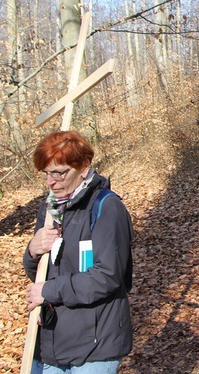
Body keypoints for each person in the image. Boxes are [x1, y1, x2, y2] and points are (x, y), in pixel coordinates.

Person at [23, 130, 134, 373]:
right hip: (51, 341)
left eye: (59, 173)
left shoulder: (106, 207)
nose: (51, 182)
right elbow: (41, 273)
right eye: (46, 174)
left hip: (95, 343)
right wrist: (32, 251)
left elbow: (107, 276)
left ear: (84, 166)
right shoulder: (50, 209)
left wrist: (50, 291)